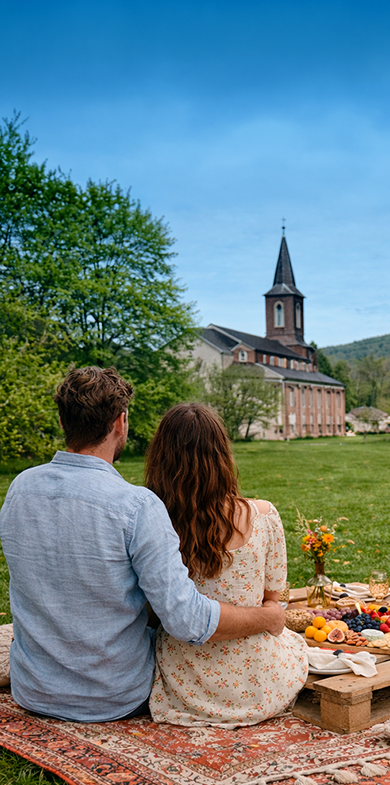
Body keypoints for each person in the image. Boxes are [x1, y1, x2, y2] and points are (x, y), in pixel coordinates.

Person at [0, 367, 285, 722]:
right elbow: (186, 620)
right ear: (120, 423)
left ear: (62, 421)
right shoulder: (135, 506)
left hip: (33, 690)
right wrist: (268, 617)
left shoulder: (20, 488)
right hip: (114, 697)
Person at [147, 403, 308, 727]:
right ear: (222, 455)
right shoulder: (263, 516)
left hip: (185, 683)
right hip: (259, 681)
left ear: (161, 459)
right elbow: (273, 601)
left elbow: (152, 612)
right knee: (293, 640)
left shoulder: (152, 521)